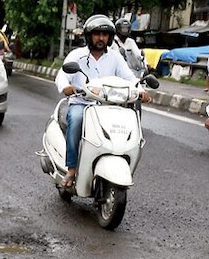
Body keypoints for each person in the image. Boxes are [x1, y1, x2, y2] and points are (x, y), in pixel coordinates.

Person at [54, 14, 150, 191]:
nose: (101, 38)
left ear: (110, 37)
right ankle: (72, 169)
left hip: (109, 106)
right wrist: (66, 87)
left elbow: (129, 78)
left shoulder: (115, 57)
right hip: (82, 103)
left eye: (105, 35)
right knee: (75, 121)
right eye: (97, 34)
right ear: (89, 36)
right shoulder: (77, 55)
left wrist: (141, 91)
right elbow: (62, 76)